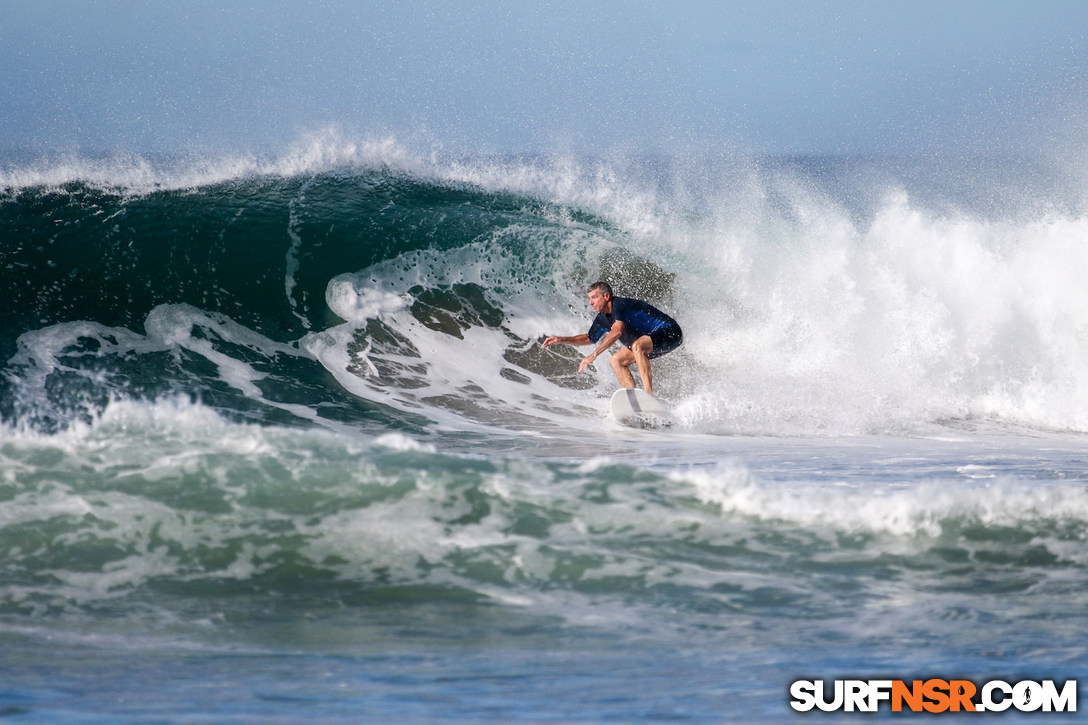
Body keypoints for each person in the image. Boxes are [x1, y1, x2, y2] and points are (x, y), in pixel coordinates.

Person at [542, 281, 682, 396]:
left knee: (637, 346)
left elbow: (617, 331)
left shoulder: (618, 305)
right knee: (616, 360)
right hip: (651, 341)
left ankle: (648, 395)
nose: (591, 302)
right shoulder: (602, 318)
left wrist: (594, 355)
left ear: (607, 296)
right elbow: (589, 338)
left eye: (594, 297)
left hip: (670, 332)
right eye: (589, 298)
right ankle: (634, 400)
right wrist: (561, 339)